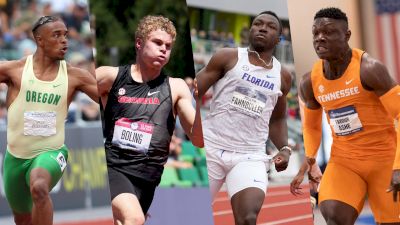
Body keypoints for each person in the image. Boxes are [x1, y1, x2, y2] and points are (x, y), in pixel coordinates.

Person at [290, 7, 400, 225]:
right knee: (333, 213)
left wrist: (398, 166)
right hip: (345, 161)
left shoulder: (369, 69)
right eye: (315, 33)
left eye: (328, 32)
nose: (320, 38)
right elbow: (311, 127)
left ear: (347, 35)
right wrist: (311, 159)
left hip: (384, 160)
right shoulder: (309, 82)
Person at [95, 15, 203, 225]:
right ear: (139, 43)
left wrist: (201, 104)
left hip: (148, 178)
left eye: (168, 46)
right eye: (157, 42)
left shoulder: (176, 87)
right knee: (134, 218)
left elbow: (198, 140)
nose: (164, 49)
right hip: (114, 168)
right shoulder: (110, 76)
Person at [196, 11, 292, 225]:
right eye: (257, 24)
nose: (262, 28)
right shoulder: (227, 57)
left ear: (278, 38)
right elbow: (193, 93)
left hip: (249, 155)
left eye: (270, 26)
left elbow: (276, 119)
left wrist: (285, 148)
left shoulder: (283, 76)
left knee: (248, 218)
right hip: (210, 148)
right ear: (250, 30)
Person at [0, 15, 98, 225]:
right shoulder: (15, 70)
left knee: (39, 187)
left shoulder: (74, 76)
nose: (64, 40)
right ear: (39, 40)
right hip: (15, 159)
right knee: (23, 220)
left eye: (66, 35)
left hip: (51, 152)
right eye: (56, 35)